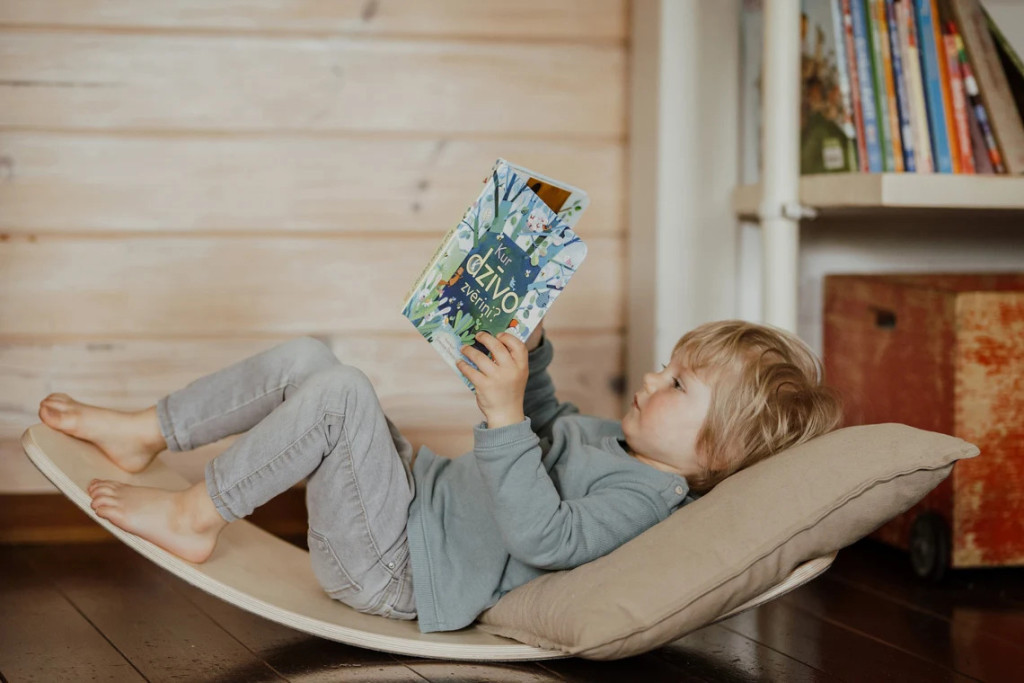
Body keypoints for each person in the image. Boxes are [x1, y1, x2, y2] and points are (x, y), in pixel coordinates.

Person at [37, 319, 841, 633]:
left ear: (718, 452)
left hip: (400, 567)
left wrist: (502, 414)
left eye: (678, 385)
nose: (653, 377)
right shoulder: (619, 444)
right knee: (312, 359)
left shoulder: (644, 497)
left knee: (339, 396)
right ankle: (149, 431)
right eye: (666, 364)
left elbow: (545, 536)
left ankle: (196, 514)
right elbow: (545, 422)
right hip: (413, 497)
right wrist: (530, 355)